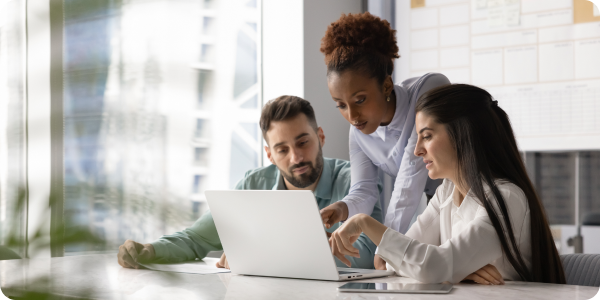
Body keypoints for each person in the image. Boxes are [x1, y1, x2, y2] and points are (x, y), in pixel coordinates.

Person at [328, 84, 566, 284]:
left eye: (427, 136)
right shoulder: (447, 192)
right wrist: (459, 272)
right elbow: (389, 261)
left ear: (463, 135)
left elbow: (433, 266)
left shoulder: (506, 197)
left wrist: (363, 222)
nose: (417, 149)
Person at [117, 95, 383, 270]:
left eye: (303, 142)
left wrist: (257, 255)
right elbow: (196, 239)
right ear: (269, 154)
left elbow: (367, 255)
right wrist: (150, 250)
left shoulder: (357, 182)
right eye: (282, 149)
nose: (297, 157)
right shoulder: (255, 183)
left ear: (320, 137)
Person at [317, 12, 450, 269]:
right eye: (341, 106)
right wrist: (342, 209)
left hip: (476, 198)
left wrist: (385, 244)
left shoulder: (427, 89)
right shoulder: (359, 134)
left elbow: (410, 176)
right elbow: (364, 190)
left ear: (387, 85)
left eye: (360, 100)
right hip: (439, 207)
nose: (352, 116)